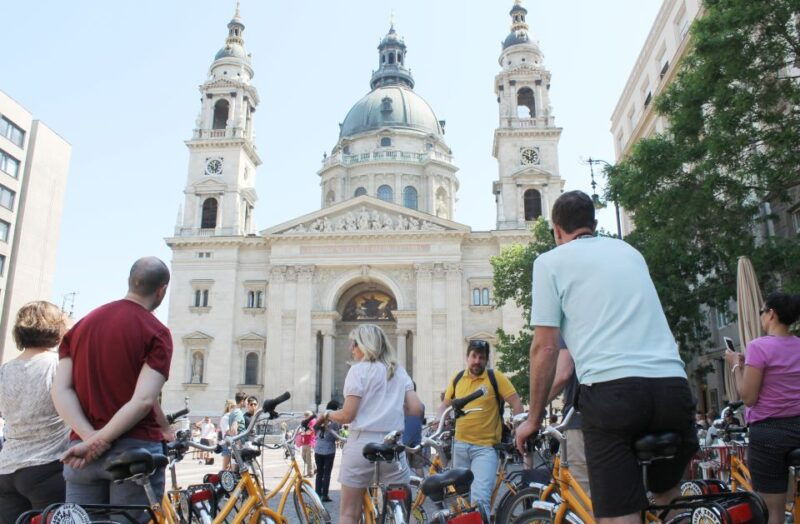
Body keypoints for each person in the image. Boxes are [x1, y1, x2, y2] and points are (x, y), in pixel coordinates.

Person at [515, 191, 698, 524]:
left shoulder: (549, 262)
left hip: (613, 393)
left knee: (619, 515)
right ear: (594, 225)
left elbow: (545, 348)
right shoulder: (630, 252)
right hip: (674, 389)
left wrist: (533, 419)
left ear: (557, 230)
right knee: (668, 499)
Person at [52, 257, 173, 517]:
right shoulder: (156, 331)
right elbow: (143, 401)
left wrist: (89, 439)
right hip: (133, 456)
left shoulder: (81, 326)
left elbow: (60, 390)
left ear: (129, 281)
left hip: (81, 454)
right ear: (161, 290)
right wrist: (100, 441)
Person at [324, 324, 423, 524]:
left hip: (362, 445)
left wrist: (327, 414)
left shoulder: (357, 371)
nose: (351, 348)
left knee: (349, 513)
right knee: (405, 511)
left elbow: (347, 415)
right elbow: (416, 409)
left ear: (365, 345)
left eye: (354, 344)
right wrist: (392, 408)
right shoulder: (398, 371)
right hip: (392, 446)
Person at [725, 291, 800, 524]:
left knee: (773, 512)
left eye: (761, 312)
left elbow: (748, 397)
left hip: (769, 433)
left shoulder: (758, 347)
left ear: (771, 314)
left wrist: (735, 366)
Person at [0, 302, 71, 524]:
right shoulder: (58, 365)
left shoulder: (5, 370)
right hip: (48, 466)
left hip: (6, 469)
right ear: (57, 328)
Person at [439, 339, 523, 515]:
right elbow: (444, 405)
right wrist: (440, 422)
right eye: (474, 356)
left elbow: (516, 403)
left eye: (482, 357)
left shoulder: (495, 378)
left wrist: (518, 428)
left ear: (487, 359)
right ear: (467, 357)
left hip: (485, 449)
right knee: (459, 501)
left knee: (480, 499)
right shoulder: (457, 379)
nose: (477, 361)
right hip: (459, 447)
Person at [543, 338, 590, 498]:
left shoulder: (571, 325)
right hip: (627, 411)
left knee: (581, 493)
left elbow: (563, 374)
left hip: (580, 418)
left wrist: (535, 412)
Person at [314, 400, 341, 502]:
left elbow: (315, 429)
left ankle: (317, 494)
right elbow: (336, 437)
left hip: (318, 448)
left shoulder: (320, 417)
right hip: (329, 450)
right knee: (327, 473)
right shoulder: (334, 421)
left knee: (319, 473)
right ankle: (324, 495)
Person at [296, 411, 317, 477]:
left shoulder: (313, 421)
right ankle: (315, 468)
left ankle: (310, 473)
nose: (305, 416)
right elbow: (303, 430)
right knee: (304, 457)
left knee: (309, 458)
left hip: (310, 442)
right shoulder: (305, 421)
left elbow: (310, 431)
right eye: (305, 415)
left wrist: (303, 433)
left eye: (307, 415)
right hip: (304, 441)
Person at [219, 400, 235, 470]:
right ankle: (222, 475)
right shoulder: (226, 417)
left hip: (233, 442)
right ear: (229, 407)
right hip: (228, 443)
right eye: (233, 407)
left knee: (231, 466)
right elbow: (228, 431)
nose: (235, 409)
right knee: (225, 467)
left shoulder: (231, 417)